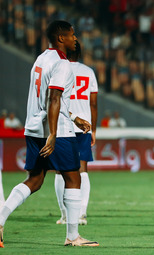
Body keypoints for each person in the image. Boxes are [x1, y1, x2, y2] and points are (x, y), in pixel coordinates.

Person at [0, 20, 99, 248]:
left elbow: (50, 97)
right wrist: (53, 134)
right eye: (72, 35)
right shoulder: (62, 64)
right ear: (61, 38)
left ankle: (0, 219)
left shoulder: (41, 59)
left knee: (34, 179)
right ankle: (73, 236)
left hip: (34, 128)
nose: (75, 39)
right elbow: (54, 98)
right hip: (56, 131)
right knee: (73, 177)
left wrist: (74, 117)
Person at [55, 40, 98, 226]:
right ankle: (82, 213)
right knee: (82, 169)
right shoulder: (88, 72)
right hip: (84, 125)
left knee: (60, 170)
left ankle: (65, 215)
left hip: (62, 124)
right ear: (80, 54)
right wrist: (93, 129)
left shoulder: (58, 70)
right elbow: (93, 103)